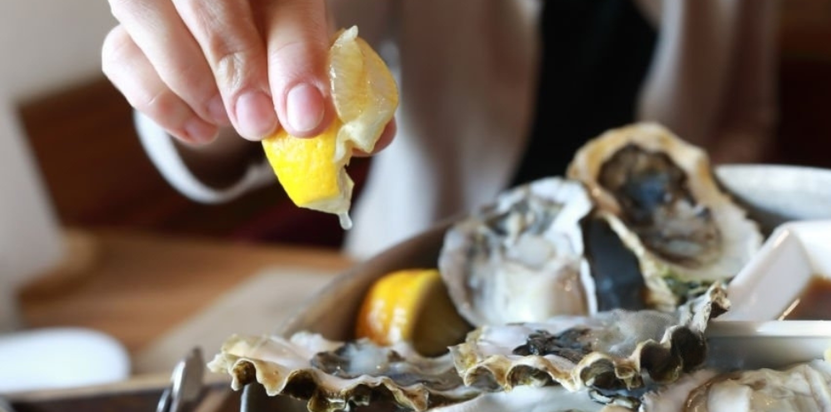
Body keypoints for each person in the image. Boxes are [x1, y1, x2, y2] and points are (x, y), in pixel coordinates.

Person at [102, 0, 777, 259]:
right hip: (408, 283)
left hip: (648, 284)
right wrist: (217, 84)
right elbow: (313, 23)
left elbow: (746, 118)